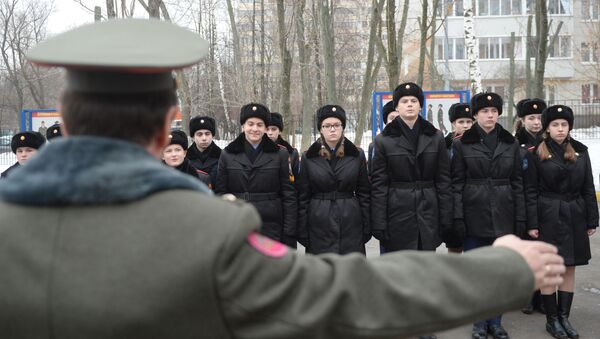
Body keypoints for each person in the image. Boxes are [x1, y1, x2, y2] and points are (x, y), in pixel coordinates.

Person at [0, 18, 568, 339]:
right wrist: (506, 267)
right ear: (169, 124)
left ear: (65, 121)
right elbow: (346, 295)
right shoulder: (207, 235)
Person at [451, 92, 527, 339]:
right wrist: (458, 217)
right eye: (484, 111)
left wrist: (520, 217)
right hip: (474, 212)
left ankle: (496, 321)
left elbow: (518, 182)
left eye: (494, 111)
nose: (490, 115)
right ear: (475, 115)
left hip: (504, 212)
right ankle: (478, 323)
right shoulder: (462, 144)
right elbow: (456, 183)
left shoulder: (510, 143)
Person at [524, 105, 598, 339]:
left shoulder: (581, 152)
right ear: (547, 128)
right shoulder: (536, 153)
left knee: (569, 266)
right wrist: (532, 223)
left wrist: (592, 219)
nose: (560, 129)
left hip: (575, 214)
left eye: (564, 124)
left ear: (569, 127)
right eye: (555, 124)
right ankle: (552, 319)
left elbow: (588, 188)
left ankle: (564, 317)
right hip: (548, 214)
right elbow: (531, 191)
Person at [371, 82, 453, 259]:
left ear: (420, 105)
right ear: (397, 106)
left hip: (428, 211)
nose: (409, 104)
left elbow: (443, 180)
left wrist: (446, 218)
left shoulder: (435, 136)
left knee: (426, 269)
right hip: (397, 213)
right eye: (404, 101)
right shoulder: (384, 140)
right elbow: (379, 185)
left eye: (414, 100)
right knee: (400, 272)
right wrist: (379, 221)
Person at [215, 103, 297, 246]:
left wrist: (289, 231)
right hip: (238, 223)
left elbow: (288, 195)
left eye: (260, 125)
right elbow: (221, 194)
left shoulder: (280, 154)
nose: (255, 129)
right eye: (250, 124)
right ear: (242, 126)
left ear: (265, 128)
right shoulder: (227, 154)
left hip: (271, 225)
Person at [297, 105, 370, 254]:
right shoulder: (308, 157)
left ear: (342, 127)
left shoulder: (356, 155)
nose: (332, 129)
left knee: (350, 271)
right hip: (318, 221)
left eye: (336, 125)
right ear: (320, 129)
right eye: (327, 125)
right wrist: (302, 230)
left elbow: (364, 193)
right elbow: (302, 197)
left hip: (350, 220)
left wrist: (367, 225)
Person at [514, 98, 547, 315]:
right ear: (522, 120)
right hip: (524, 203)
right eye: (531, 118)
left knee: (544, 252)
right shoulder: (515, 143)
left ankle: (542, 297)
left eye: (539, 118)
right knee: (526, 252)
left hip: (546, 205)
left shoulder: (551, 141)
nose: (536, 122)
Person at [444, 102, 473, 253]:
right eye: (461, 122)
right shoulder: (444, 145)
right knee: (454, 247)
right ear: (453, 124)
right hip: (451, 199)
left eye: (469, 122)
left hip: (471, 199)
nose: (466, 125)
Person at [186, 115, 221, 187]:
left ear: (213, 135)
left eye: (207, 134)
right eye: (199, 134)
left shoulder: (223, 157)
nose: (204, 138)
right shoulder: (185, 158)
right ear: (193, 137)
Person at [367, 100, 400, 176]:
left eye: (398, 118)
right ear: (386, 121)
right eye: (392, 118)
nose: (395, 121)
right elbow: (372, 173)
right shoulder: (375, 145)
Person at [266, 111, 300, 184]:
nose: (269, 133)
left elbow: (296, 180)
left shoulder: (292, 153)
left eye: (274, 129)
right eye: (267, 129)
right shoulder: (257, 151)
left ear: (280, 131)